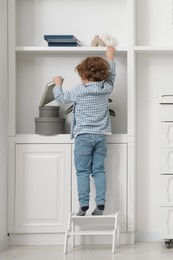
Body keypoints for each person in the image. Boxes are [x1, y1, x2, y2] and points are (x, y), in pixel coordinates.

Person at [52, 46, 116, 216]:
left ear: (85, 76)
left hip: (83, 137)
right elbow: (112, 77)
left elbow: (60, 98)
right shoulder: (106, 89)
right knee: (99, 170)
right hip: (101, 137)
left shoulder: (80, 91)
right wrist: (111, 58)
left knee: (83, 172)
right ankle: (101, 204)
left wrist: (58, 84)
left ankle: (84, 205)